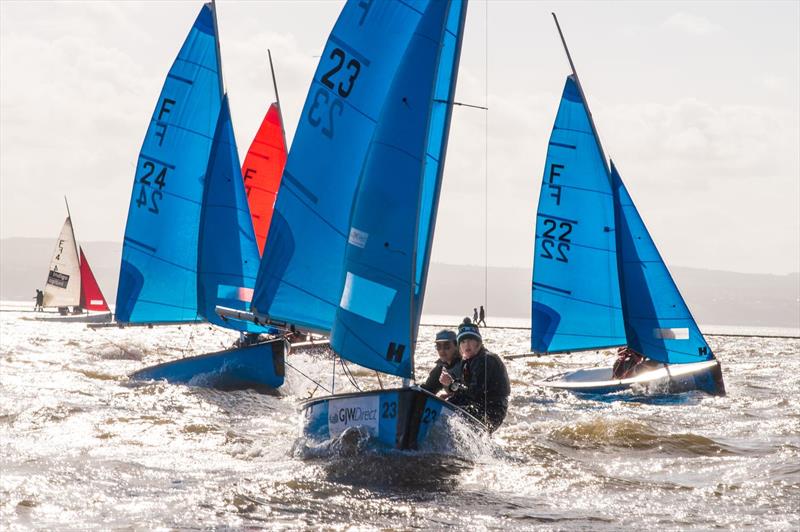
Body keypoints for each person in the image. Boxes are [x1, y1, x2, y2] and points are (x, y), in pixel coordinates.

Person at [440, 318, 510, 431]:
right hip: (478, 406)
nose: (467, 345)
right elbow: (466, 390)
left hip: (492, 411)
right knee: (444, 405)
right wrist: (451, 394)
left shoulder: (486, 360)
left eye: (470, 340)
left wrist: (452, 384)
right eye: (463, 342)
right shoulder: (468, 361)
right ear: (459, 347)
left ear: (478, 343)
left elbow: (474, 393)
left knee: (446, 414)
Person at [420, 329, 463, 395]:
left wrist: (451, 385)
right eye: (438, 347)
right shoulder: (441, 367)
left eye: (447, 346)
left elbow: (471, 394)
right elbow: (429, 389)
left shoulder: (465, 365)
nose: (442, 351)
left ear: (456, 346)